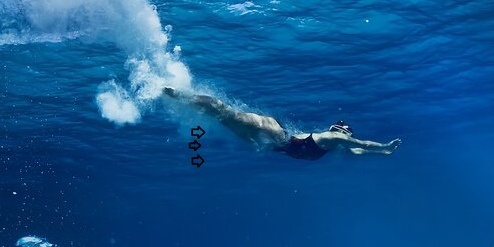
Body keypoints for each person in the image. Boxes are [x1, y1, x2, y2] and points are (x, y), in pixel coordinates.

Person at [163, 87, 401, 159]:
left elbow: (357, 151)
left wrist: (383, 154)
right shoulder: (333, 138)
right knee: (229, 114)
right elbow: (361, 144)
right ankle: (182, 95)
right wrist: (383, 147)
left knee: (224, 120)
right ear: (339, 131)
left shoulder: (338, 145)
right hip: (277, 134)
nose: (347, 139)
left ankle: (189, 103)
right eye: (346, 135)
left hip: (274, 145)